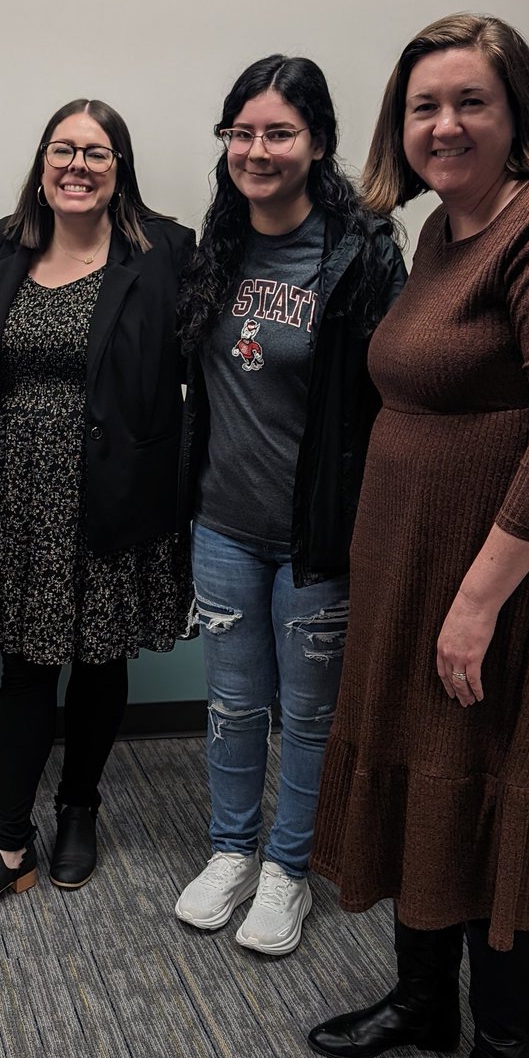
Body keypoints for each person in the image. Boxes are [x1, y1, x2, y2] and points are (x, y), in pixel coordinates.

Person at [307, 13, 529, 1058]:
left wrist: (479, 599)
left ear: (520, 113)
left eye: (469, 102)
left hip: (506, 580)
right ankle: (419, 998)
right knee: (421, 769)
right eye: (422, 106)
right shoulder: (444, 232)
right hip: (412, 563)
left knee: (493, 782)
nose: (442, 125)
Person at [0, 99, 195, 927]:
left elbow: (199, 367)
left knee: (101, 658)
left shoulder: (163, 252)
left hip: (115, 488)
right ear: (41, 163)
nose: (77, 165)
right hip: (19, 493)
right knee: (25, 668)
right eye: (63, 150)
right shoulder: (5, 244)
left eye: (97, 152)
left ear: (120, 167)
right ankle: (7, 846)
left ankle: (79, 807)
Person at [173, 57, 405, 955]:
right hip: (223, 527)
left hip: (319, 539)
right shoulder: (219, 245)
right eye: (242, 132)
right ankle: (231, 851)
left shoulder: (362, 252)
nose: (257, 149)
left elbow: (389, 401)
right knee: (233, 706)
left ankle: (287, 868)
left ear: (317, 144)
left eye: (279, 133)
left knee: (309, 715)